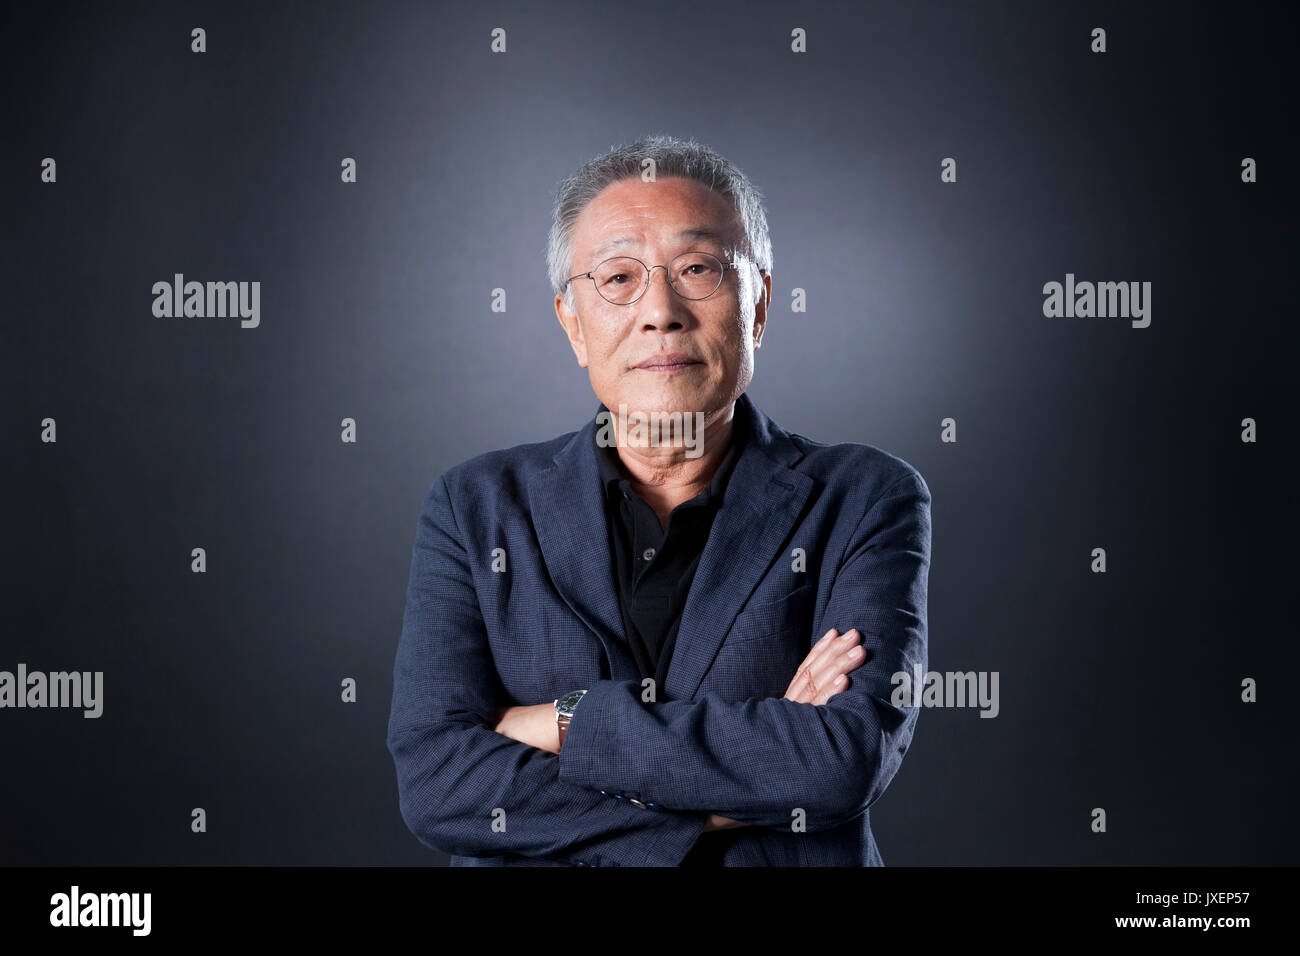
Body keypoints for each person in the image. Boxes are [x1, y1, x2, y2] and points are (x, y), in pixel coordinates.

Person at [386, 135, 931, 866]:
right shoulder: (474, 506)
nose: (660, 312)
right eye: (618, 278)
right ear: (573, 323)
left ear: (759, 305)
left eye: (698, 269)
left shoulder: (864, 496)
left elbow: (840, 760)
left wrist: (566, 723)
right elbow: (438, 783)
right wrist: (716, 809)